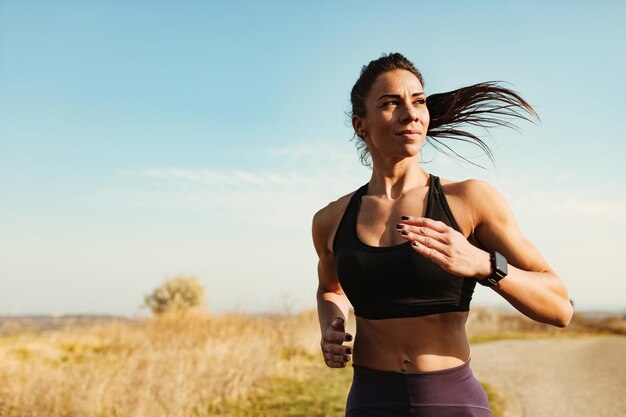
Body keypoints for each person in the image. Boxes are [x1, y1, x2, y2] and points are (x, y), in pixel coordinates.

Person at [311, 53, 573, 417]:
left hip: (451, 400)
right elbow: (330, 289)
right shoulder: (331, 219)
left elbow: (560, 308)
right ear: (361, 124)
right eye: (390, 103)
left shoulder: (469, 200)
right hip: (370, 401)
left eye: (418, 101)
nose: (411, 113)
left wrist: (482, 264)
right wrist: (331, 325)